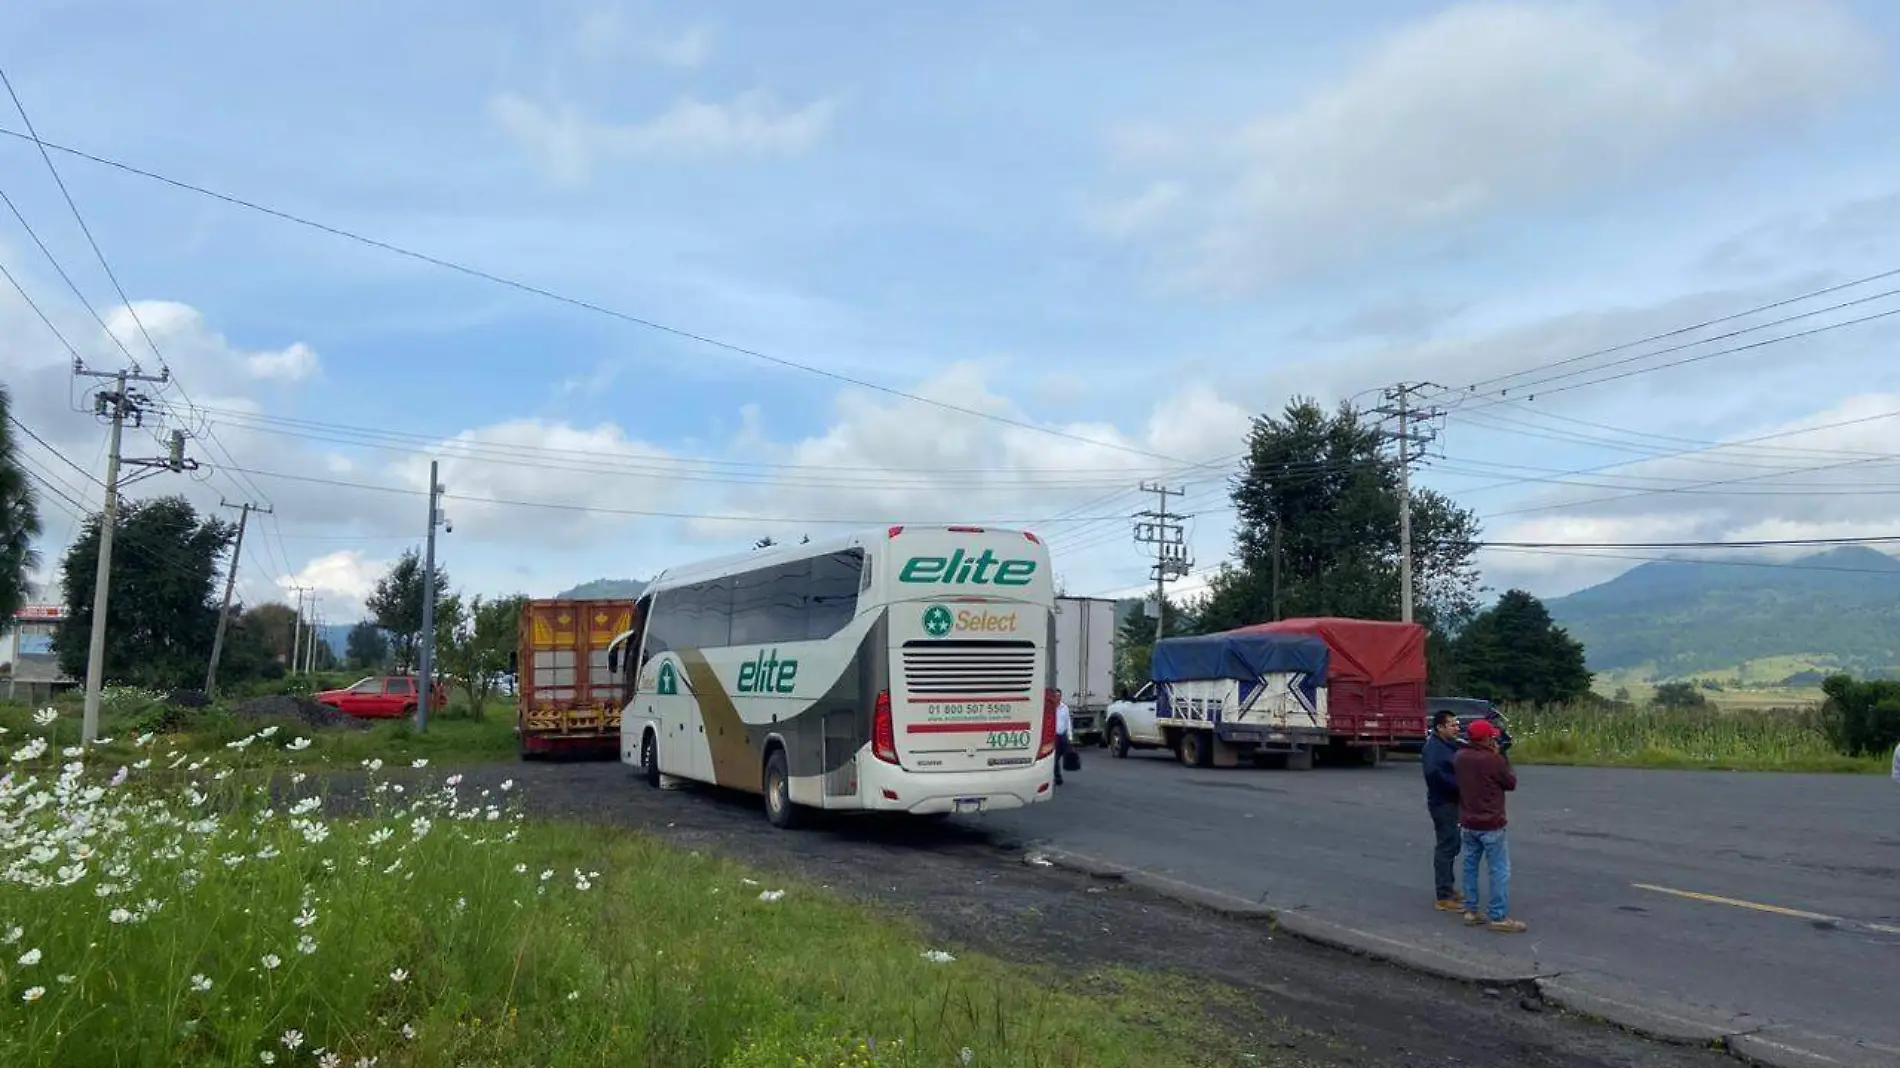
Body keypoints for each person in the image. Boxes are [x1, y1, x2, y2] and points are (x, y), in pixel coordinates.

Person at [1455, 719, 1526, 932]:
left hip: (1468, 820)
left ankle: (1471, 910)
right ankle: (1498, 916)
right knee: (1499, 870)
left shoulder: (1459, 757)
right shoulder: (1492, 760)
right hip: (1491, 822)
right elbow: (1510, 783)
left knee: (1470, 867)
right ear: (1486, 738)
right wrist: (1499, 756)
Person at [1421, 709, 1464, 912]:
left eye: (1457, 724)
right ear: (1440, 727)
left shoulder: (1448, 745)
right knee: (1446, 845)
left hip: (1453, 801)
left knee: (1453, 843)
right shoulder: (1434, 749)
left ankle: (1449, 886)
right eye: (1452, 725)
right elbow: (1435, 775)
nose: (1456, 728)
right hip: (1443, 802)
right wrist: (1460, 786)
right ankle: (1443, 895)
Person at [1054, 694, 1073, 786]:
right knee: (1055, 758)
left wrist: (1070, 736)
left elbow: (1068, 722)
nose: (1057, 697)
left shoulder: (1064, 708)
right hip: (1054, 736)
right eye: (1055, 696)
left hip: (1063, 735)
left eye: (1058, 696)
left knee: (1066, 754)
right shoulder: (1050, 708)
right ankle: (1057, 777)